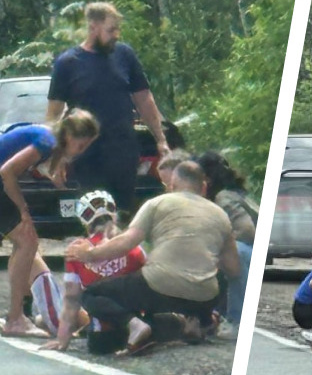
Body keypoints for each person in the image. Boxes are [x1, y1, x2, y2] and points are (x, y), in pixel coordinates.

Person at [71, 161, 240, 355]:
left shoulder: (157, 203)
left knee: (90, 294)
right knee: (218, 279)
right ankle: (200, 321)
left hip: (158, 288)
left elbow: (126, 242)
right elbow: (233, 268)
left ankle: (136, 326)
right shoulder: (220, 214)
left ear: (172, 185)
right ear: (203, 187)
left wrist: (90, 254)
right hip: (203, 297)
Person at [0, 109, 99, 336]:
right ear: (70, 136)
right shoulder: (47, 140)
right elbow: (7, 172)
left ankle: (18, 315)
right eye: (81, 146)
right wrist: (23, 210)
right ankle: (15, 319)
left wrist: (58, 171)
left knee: (25, 243)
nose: (81, 152)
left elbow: (44, 162)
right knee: (27, 242)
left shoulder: (52, 139)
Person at [47, 1, 171, 211]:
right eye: (111, 29)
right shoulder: (67, 63)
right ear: (93, 27)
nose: (116, 35)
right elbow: (54, 115)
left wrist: (161, 139)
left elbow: (144, 100)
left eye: (117, 29)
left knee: (123, 214)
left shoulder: (124, 55)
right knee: (95, 215)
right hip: (86, 156)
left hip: (123, 152)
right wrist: (56, 157)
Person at [40, 190, 147, 353]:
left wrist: (62, 340)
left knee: (85, 295)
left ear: (84, 221)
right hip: (140, 322)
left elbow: (71, 300)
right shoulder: (134, 246)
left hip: (103, 338)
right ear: (114, 215)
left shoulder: (75, 251)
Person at [196, 151, 258, 340]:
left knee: (232, 255)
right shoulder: (235, 193)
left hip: (248, 250)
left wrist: (219, 246)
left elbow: (247, 231)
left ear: (206, 178)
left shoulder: (224, 198)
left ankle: (237, 320)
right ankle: (219, 314)